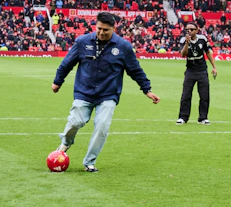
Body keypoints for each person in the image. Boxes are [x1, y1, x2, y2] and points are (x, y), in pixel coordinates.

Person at [52, 12, 160, 172]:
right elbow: (67, 62)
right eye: (99, 29)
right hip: (84, 91)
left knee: (102, 126)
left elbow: (135, 70)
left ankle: (89, 162)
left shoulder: (123, 47)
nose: (102, 33)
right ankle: (66, 143)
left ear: (113, 28)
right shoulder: (82, 42)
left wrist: (147, 90)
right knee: (75, 122)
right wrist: (58, 81)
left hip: (108, 95)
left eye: (106, 30)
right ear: (95, 26)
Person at [177, 21, 217, 124]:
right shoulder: (183, 40)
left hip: (202, 70)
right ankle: (183, 117)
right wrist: (187, 43)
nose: (189, 31)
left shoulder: (202, 39)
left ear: (197, 30)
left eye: (191, 29)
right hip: (190, 71)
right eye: (187, 30)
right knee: (186, 95)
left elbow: (208, 52)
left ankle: (203, 118)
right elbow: (183, 54)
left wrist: (214, 67)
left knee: (204, 95)